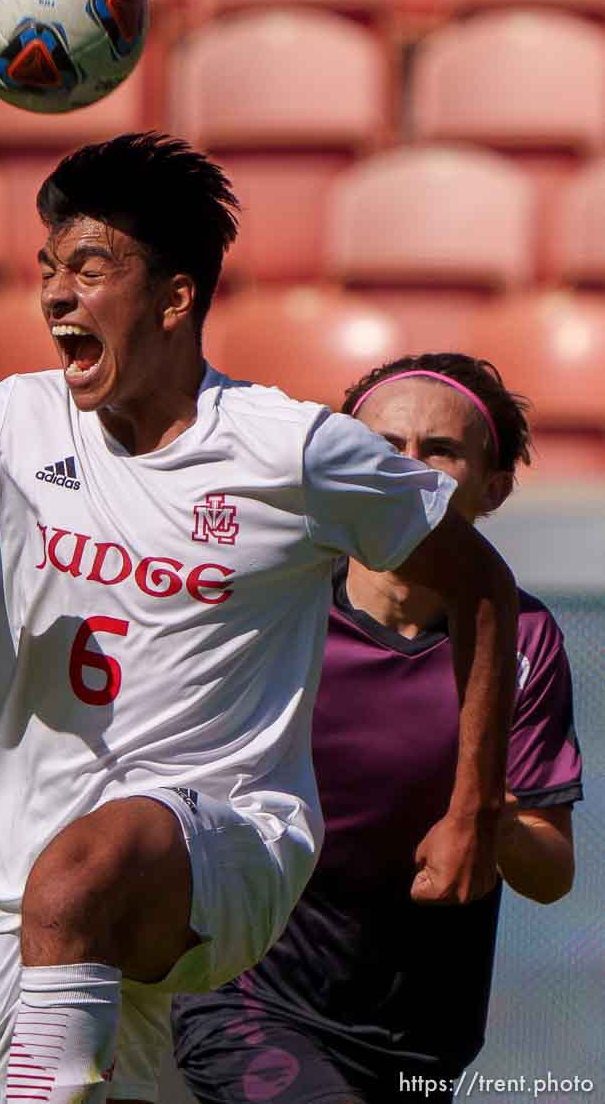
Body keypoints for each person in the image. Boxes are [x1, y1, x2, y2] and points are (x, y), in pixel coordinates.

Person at [0, 136, 519, 1104]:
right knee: (70, 920)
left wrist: (470, 809)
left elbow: (482, 587)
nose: (55, 295)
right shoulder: (10, 421)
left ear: (175, 298)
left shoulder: (294, 450)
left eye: (89, 269)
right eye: (47, 269)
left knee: (84, 867)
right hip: (36, 881)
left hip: (234, 837)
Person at [172, 353, 583, 1104]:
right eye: (383, 447)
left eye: (440, 451)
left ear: (492, 489)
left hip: (423, 1045)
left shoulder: (522, 637)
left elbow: (550, 872)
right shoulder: (273, 606)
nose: (407, 469)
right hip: (251, 1001)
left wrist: (478, 809)